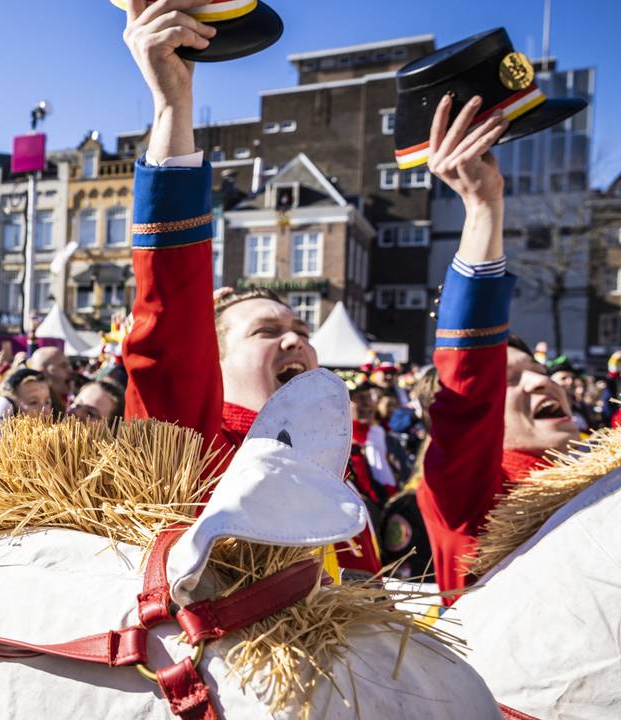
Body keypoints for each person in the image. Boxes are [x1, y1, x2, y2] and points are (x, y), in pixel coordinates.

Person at [118, 3, 380, 574]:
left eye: (301, 332)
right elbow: (169, 328)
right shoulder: (195, 448)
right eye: (267, 331)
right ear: (211, 358)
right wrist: (172, 107)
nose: (296, 343)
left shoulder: (334, 476)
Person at [419, 92, 578, 599]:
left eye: (538, 368)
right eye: (509, 379)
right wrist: (484, 208)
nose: (540, 379)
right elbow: (468, 385)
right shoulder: (470, 498)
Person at [28, 346, 73, 414]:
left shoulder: (69, 401)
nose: (70, 370)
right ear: (42, 372)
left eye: (69, 365)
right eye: (63, 366)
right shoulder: (30, 406)